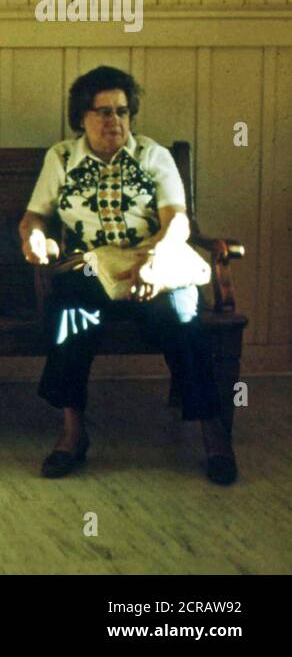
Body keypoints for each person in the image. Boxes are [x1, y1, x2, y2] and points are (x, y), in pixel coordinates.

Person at [18, 65, 237, 485]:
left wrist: (155, 262)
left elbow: (177, 222)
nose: (112, 121)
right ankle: (72, 433)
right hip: (90, 264)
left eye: (121, 111)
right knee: (70, 315)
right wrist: (35, 239)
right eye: (101, 112)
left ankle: (214, 434)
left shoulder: (154, 155)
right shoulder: (61, 157)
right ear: (81, 117)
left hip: (154, 257)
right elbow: (34, 216)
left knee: (183, 316)